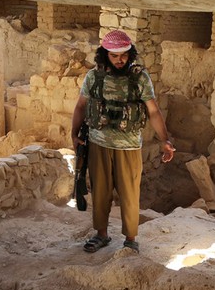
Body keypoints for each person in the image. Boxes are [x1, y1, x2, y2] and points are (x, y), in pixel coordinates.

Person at [72, 30, 175, 254]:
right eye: (114, 56)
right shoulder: (93, 77)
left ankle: (130, 239)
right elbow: (81, 106)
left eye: (124, 56)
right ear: (104, 54)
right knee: (100, 191)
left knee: (129, 193)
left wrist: (164, 140)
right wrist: (73, 134)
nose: (120, 60)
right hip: (98, 144)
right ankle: (101, 234)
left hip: (128, 147)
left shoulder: (140, 78)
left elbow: (154, 111)